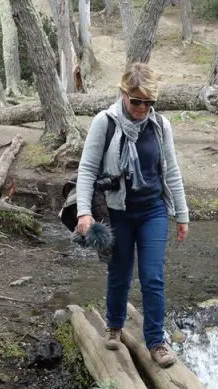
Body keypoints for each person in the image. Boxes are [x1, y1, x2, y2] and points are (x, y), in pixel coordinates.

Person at [74, 62, 190, 368]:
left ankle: (156, 341)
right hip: (117, 211)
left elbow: (172, 172)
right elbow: (86, 169)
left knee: (153, 278)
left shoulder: (160, 126)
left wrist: (182, 214)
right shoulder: (105, 122)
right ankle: (114, 325)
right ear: (124, 94)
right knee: (120, 273)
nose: (142, 108)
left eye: (148, 103)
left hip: (153, 210)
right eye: (136, 101)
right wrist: (84, 212)